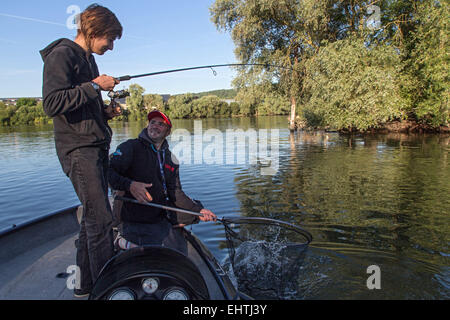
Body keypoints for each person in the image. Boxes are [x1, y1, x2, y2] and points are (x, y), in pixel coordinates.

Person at [40, 4, 123, 297]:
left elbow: (82, 106)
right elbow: (52, 104)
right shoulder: (61, 55)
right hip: (78, 150)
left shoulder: (88, 60)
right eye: (109, 39)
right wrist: (94, 86)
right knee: (101, 220)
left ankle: (84, 286)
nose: (111, 46)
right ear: (93, 31)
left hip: (94, 147)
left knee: (92, 219)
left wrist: (106, 113)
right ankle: (108, 291)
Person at [108, 110, 217, 252]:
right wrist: (130, 185)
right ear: (147, 126)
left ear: (168, 131)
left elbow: (175, 192)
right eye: (152, 122)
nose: (155, 126)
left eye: (161, 124)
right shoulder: (130, 147)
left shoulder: (171, 159)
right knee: (155, 253)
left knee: (195, 211)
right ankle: (121, 240)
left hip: (159, 210)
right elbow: (106, 172)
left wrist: (199, 211)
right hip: (133, 214)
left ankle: (173, 223)